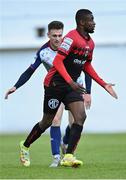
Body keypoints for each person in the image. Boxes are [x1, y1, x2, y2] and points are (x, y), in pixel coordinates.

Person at [17, 9, 118, 168]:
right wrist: (71, 82)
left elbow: (87, 65)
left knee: (80, 117)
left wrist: (103, 84)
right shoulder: (71, 38)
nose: (94, 23)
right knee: (47, 122)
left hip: (72, 86)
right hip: (55, 85)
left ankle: (68, 155)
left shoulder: (90, 43)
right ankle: (25, 145)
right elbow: (57, 61)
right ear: (82, 22)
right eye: (91, 20)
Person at [4, 21, 92, 167]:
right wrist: (16, 86)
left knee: (76, 121)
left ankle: (67, 150)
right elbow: (29, 71)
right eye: (54, 36)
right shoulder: (43, 52)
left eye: (60, 35)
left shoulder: (71, 46)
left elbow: (86, 67)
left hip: (74, 87)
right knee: (52, 121)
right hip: (55, 89)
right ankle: (51, 155)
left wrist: (88, 92)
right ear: (48, 35)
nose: (58, 39)